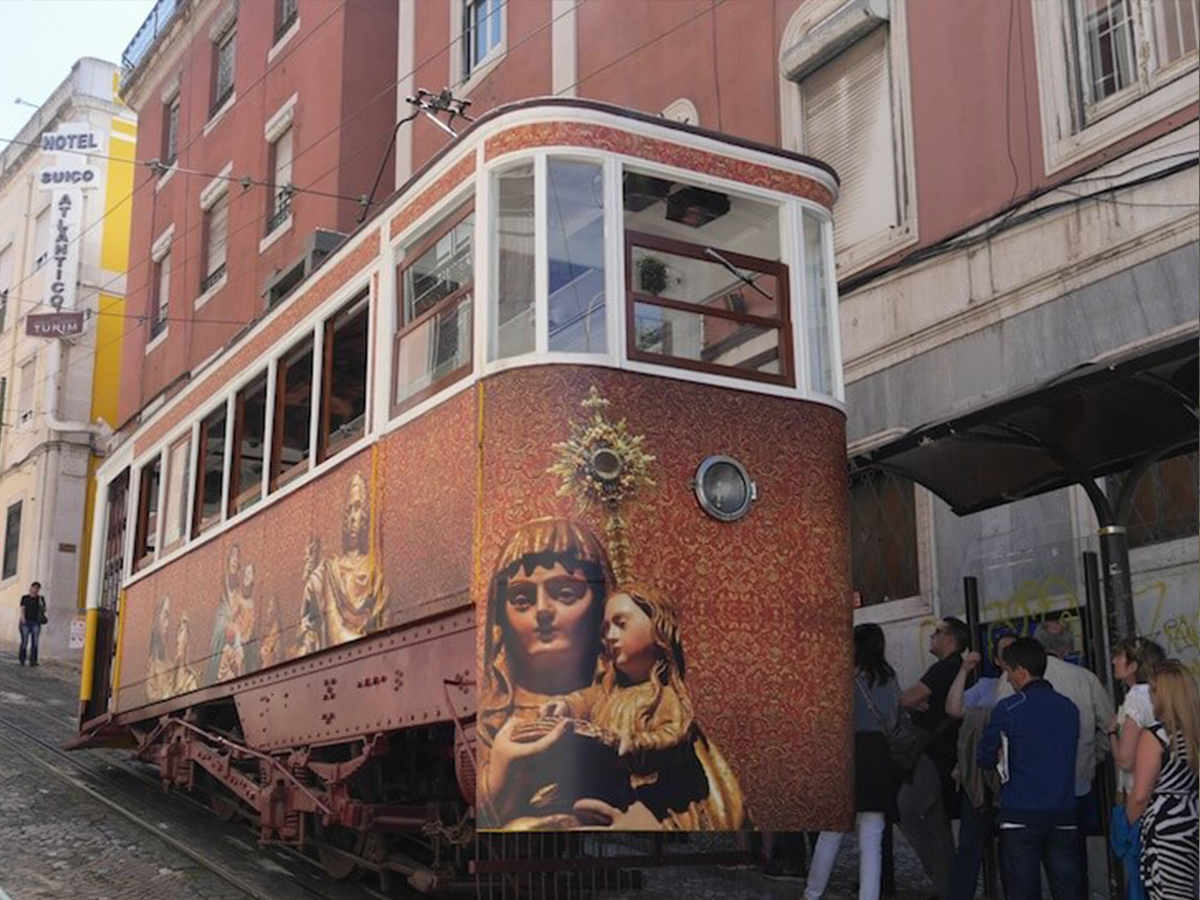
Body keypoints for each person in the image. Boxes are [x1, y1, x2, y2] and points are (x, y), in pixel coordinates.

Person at [544, 584, 747, 830]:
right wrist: (565, 705)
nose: (610, 636)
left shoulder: (663, 695)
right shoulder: (607, 692)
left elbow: (674, 737)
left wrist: (634, 745)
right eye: (605, 629)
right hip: (608, 789)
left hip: (652, 797)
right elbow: (583, 699)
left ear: (657, 630)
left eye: (621, 624)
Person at [478, 517, 622, 828]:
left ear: (602, 607)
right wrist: (500, 775)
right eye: (521, 599)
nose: (543, 609)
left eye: (565, 593)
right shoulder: (490, 721)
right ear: (500, 617)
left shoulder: (636, 703)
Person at [997, 619, 1114, 895]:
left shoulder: (1010, 679)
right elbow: (1111, 727)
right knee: (1071, 873)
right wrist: (1092, 755)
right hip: (1073, 787)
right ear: (1067, 649)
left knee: (1022, 879)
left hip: (1023, 795)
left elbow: (999, 731)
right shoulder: (1085, 679)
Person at [979, 637, 1082, 900]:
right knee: (1068, 891)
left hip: (1020, 813)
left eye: (1009, 672)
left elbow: (985, 757)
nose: (1008, 679)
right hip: (1063, 812)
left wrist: (999, 757)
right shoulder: (1068, 708)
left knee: (1022, 891)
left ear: (1021, 672)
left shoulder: (1009, 708)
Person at [803, 623, 900, 900]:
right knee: (872, 839)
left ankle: (812, 894)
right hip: (879, 754)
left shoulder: (842, 676)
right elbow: (893, 720)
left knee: (830, 833)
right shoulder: (888, 677)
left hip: (848, 753)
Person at [898, 616, 969, 898]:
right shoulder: (959, 669)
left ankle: (943, 876)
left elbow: (906, 699)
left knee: (907, 810)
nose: (932, 636)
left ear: (950, 638)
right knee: (937, 823)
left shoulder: (944, 669)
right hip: (948, 754)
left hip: (932, 755)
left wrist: (914, 702)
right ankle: (946, 887)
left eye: (938, 632)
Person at [1125, 660, 1199, 900]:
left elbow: (1140, 795)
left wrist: (1129, 823)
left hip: (1166, 828)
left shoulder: (1156, 735)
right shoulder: (1194, 731)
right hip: (1193, 816)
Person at [296, 473, 387, 653]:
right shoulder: (328, 569)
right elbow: (307, 611)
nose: (353, 517)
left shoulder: (375, 572)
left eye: (358, 508)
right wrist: (308, 568)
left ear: (365, 516)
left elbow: (383, 626)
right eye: (349, 509)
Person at [1110, 638, 1167, 794]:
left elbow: (1125, 761)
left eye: (1119, 657)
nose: (1113, 661)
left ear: (1133, 667)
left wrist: (1111, 732)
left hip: (1140, 792)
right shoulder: (1162, 693)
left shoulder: (1134, 701)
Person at [18, 581, 46, 667]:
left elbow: (44, 610)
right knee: (24, 641)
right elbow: (22, 608)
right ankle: (22, 659)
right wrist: (23, 618)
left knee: (35, 642)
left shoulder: (41, 598)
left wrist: (42, 605)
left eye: (37, 588)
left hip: (36, 622)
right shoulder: (25, 598)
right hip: (26, 622)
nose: (35, 590)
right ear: (31, 588)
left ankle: (33, 661)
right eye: (34, 588)